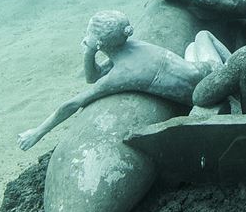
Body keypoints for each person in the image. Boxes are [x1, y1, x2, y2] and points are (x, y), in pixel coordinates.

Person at [17, 11, 229, 151]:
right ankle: (231, 66)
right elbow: (94, 76)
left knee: (201, 36)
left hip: (209, 82)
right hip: (202, 74)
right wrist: (91, 52)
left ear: (100, 42)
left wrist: (38, 132)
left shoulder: (121, 74)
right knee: (195, 44)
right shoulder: (131, 47)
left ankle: (232, 70)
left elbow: (74, 102)